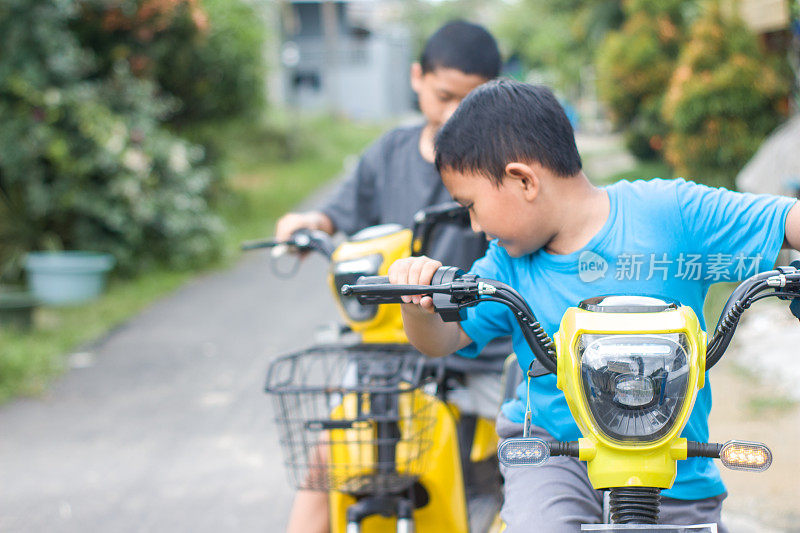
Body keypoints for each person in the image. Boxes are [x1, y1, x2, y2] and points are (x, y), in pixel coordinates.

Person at [388, 79, 800, 532]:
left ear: (523, 180)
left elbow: (787, 221)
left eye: (472, 205)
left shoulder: (671, 213)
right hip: (556, 457)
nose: (476, 226)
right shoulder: (506, 265)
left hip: (672, 460)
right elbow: (442, 340)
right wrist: (417, 305)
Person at [280, 21, 503, 533]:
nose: (452, 113)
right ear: (416, 78)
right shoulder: (388, 153)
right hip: (389, 352)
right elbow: (335, 214)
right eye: (443, 95)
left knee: (531, 457)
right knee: (326, 463)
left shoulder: (495, 167)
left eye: (468, 101)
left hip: (480, 352)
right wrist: (307, 225)